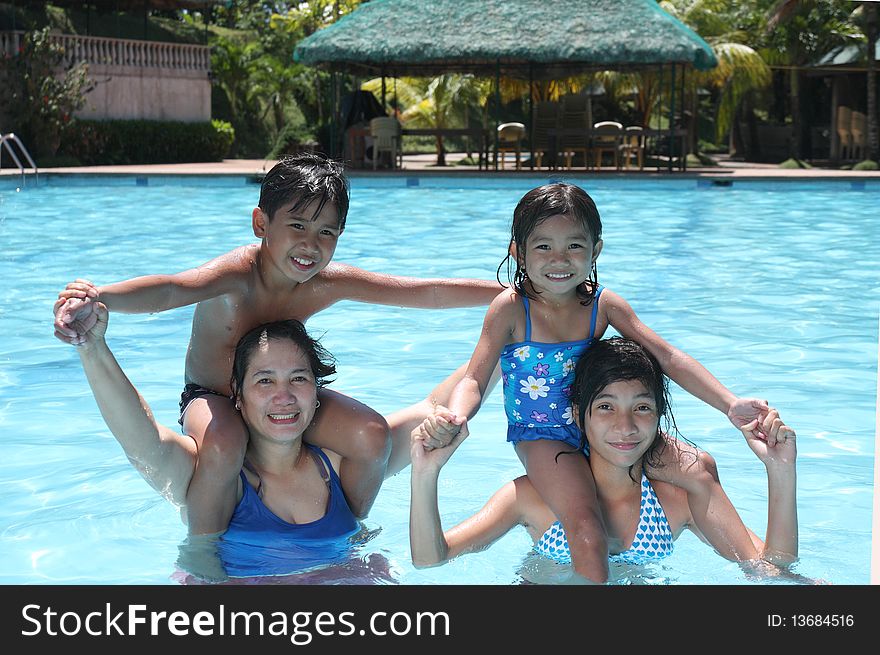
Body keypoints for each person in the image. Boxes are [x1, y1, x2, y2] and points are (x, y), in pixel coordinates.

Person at [52, 153, 500, 535]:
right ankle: (206, 546)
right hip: (215, 399)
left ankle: (347, 528)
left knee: (371, 433)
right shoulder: (235, 277)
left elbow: (420, 291)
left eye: (327, 232)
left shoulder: (325, 283)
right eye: (298, 225)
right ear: (260, 222)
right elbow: (172, 289)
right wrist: (102, 296)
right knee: (225, 445)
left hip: (283, 392)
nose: (311, 244)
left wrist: (513, 295)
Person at [419, 182, 773, 583]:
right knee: (586, 527)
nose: (560, 259)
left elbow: (667, 356)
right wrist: (456, 413)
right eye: (543, 247)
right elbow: (473, 379)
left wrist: (729, 403)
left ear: (596, 250)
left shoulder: (602, 305)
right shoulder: (511, 309)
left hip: (600, 423)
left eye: (574, 246)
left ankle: (762, 568)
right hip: (543, 436)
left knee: (700, 467)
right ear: (517, 251)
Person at [65, 299, 469, 581]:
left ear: (317, 393)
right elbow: (143, 440)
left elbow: (435, 404)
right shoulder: (209, 475)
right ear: (237, 397)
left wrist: (507, 339)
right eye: (264, 381)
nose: (284, 396)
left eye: (298, 379)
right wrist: (92, 347)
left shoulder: (342, 466)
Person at [410, 337, 799, 583]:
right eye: (606, 407)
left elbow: (769, 568)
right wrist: (425, 474)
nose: (625, 426)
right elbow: (431, 560)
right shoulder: (533, 498)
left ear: (659, 414)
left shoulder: (676, 503)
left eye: (642, 408)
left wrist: (780, 471)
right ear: (578, 415)